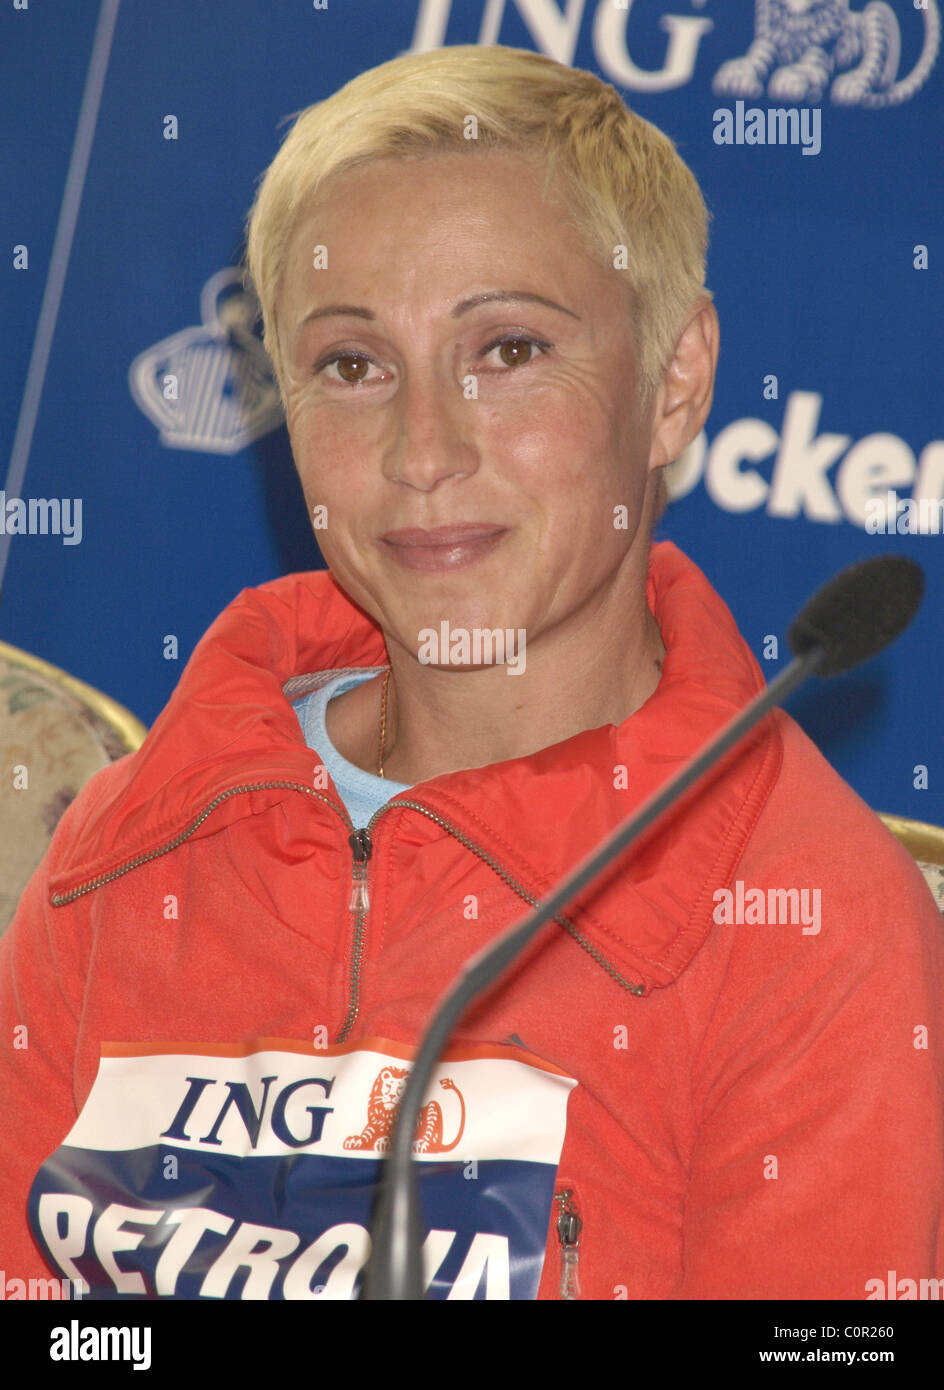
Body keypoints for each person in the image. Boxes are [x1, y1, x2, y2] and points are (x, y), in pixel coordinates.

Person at [1, 43, 942, 1302]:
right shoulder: (124, 845)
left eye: (506, 349)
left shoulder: (813, 923)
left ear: (674, 383)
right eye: (350, 365)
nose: (423, 449)